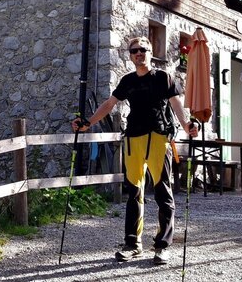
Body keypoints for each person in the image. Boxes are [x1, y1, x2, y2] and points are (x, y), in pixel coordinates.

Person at [72, 36, 198, 265]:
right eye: (134, 51)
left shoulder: (164, 78)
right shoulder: (127, 80)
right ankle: (132, 245)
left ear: (151, 52)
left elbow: (176, 104)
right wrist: (88, 122)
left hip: (159, 139)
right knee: (134, 193)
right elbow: (109, 104)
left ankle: (162, 246)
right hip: (133, 139)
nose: (138, 53)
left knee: (162, 192)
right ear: (130, 55)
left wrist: (187, 125)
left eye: (142, 49)